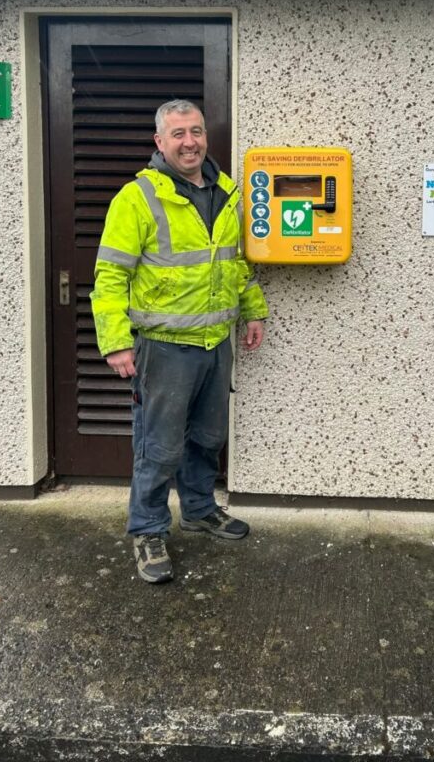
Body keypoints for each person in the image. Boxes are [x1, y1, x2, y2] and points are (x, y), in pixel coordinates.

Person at [91, 99, 268, 584]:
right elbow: (110, 276)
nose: (190, 142)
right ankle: (148, 530)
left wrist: (252, 310)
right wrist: (115, 342)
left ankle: (199, 509)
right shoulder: (137, 198)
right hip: (163, 345)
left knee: (208, 438)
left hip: (215, 341)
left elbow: (235, 263)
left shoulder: (226, 191)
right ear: (160, 142)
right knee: (160, 447)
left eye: (196, 131)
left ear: (205, 136)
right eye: (178, 134)